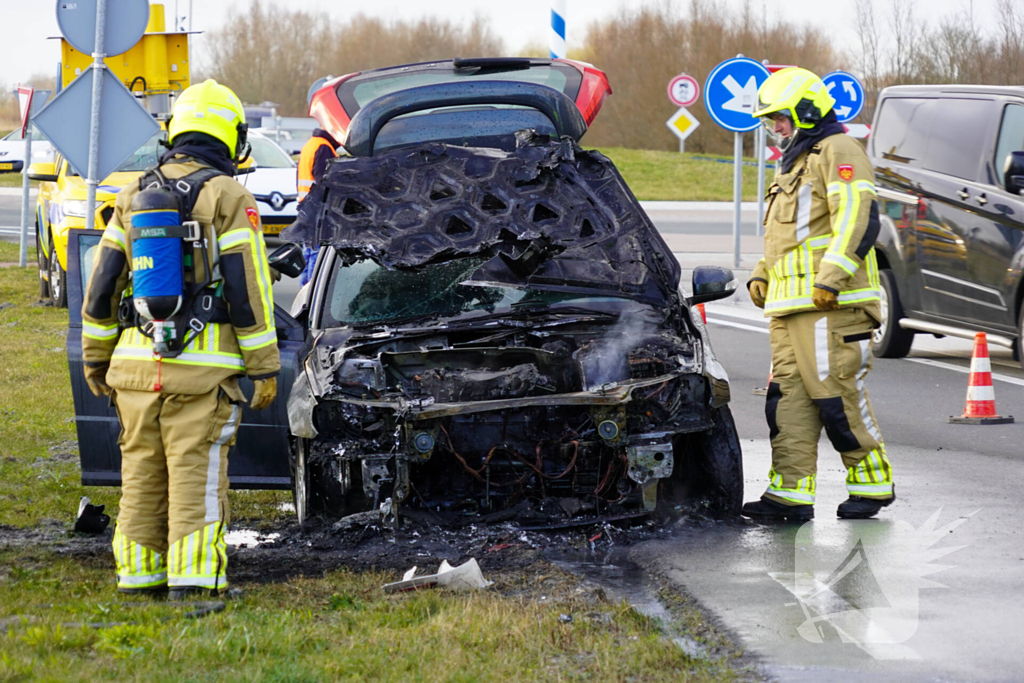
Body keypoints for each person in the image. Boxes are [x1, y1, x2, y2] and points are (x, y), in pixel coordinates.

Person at [81, 79, 280, 598]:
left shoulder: (132, 196)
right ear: (232, 138)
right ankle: (194, 582)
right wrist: (263, 366)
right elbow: (248, 287)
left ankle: (139, 577)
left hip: (134, 371)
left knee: (141, 473)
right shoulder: (230, 196)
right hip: (202, 372)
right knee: (194, 474)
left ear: (175, 132)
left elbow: (102, 285)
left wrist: (96, 359)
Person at [741, 68, 895, 522]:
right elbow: (786, 237)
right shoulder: (792, 162)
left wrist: (831, 278)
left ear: (807, 112)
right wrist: (762, 273)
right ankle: (789, 494)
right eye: (770, 122)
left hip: (833, 305)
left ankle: (873, 483)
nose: (776, 129)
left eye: (781, 119)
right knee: (786, 400)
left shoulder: (839, 151)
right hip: (791, 309)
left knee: (834, 397)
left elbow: (859, 217)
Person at [296, 125, 340, 285]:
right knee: (317, 256)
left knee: (308, 255)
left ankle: (305, 297)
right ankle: (312, 296)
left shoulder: (311, 144)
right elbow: (324, 181)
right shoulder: (324, 147)